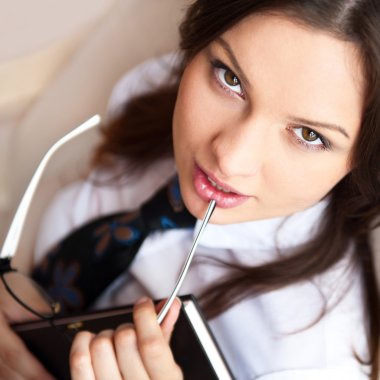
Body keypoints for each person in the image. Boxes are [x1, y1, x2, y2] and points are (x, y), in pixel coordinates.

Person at [1, 0, 380, 379]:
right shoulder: (153, 91)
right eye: (231, 80)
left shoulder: (309, 361)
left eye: (308, 136)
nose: (230, 158)